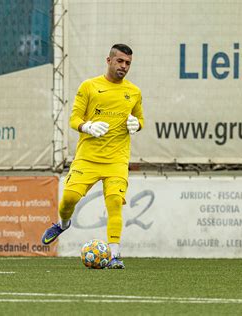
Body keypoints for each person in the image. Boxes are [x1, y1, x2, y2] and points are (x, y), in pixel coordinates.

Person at [41, 44, 144, 269]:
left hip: (117, 159)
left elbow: (140, 119)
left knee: (115, 203)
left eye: (128, 63)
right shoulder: (89, 86)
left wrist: (137, 124)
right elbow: (73, 118)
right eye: (120, 61)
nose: (124, 67)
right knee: (68, 199)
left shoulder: (134, 92)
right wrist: (87, 127)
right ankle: (63, 223)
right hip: (87, 158)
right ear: (108, 61)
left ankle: (114, 255)